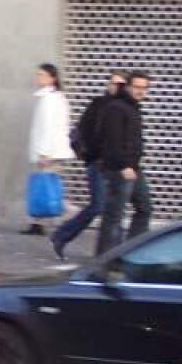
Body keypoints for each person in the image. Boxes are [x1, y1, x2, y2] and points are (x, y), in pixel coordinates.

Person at [50, 71, 126, 259]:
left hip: (117, 166)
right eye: (114, 83)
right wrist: (90, 155)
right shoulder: (98, 105)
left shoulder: (125, 108)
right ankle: (61, 235)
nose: (116, 87)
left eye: (121, 84)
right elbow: (83, 130)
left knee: (114, 208)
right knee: (98, 205)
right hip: (98, 163)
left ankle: (114, 251)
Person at [95, 71, 152, 255]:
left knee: (144, 208)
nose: (141, 91)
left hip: (133, 168)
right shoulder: (117, 108)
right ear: (128, 86)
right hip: (120, 169)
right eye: (137, 87)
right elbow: (112, 140)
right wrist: (123, 166)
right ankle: (105, 259)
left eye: (144, 88)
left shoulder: (133, 108)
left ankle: (131, 253)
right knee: (114, 217)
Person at [21, 63, 73, 236]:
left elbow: (48, 127)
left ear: (52, 78)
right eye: (37, 74)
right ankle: (37, 223)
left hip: (49, 152)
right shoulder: (52, 97)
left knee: (48, 186)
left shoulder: (50, 99)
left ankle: (70, 213)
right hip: (51, 151)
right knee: (45, 185)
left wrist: (44, 152)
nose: (38, 78)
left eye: (42, 75)